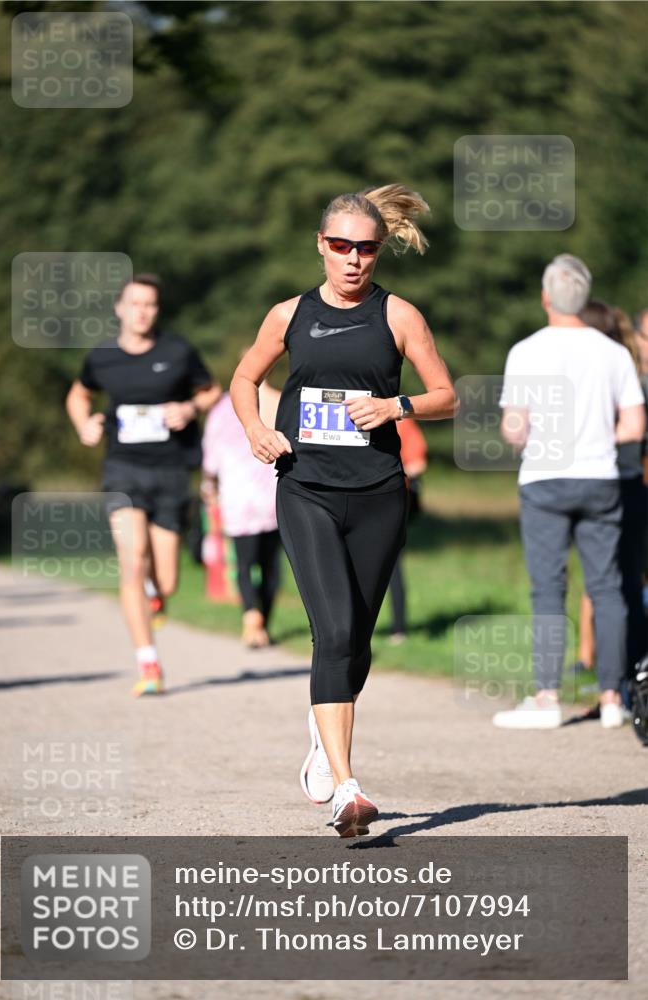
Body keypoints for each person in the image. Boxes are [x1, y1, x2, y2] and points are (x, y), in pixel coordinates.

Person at [230, 184, 457, 837]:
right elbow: (243, 379)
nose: (353, 259)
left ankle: (319, 727)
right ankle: (346, 789)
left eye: (366, 248)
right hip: (304, 486)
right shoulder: (288, 315)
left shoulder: (400, 316)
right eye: (340, 246)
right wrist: (254, 430)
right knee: (331, 633)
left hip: (379, 492)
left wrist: (396, 407)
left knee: (355, 637)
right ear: (320, 246)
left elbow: (446, 394)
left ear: (379, 249)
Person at [494, 256, 645, 730]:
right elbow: (635, 425)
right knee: (608, 587)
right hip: (602, 479)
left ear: (545, 297)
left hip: (544, 479)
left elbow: (515, 430)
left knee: (549, 589)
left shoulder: (525, 351)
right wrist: (597, 436)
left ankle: (546, 696)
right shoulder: (614, 353)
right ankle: (613, 698)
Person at [66, 274, 221, 696]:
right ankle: (148, 663)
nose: (142, 312)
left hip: (171, 472)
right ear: (119, 309)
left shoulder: (177, 351)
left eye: (150, 305)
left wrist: (189, 407)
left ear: (157, 310)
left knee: (166, 582)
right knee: (132, 561)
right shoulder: (102, 357)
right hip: (123, 468)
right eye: (135, 304)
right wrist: (85, 424)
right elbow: (78, 395)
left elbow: (211, 390)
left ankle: (156, 593)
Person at [568, 301, 648, 703]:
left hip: (627, 486)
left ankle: (621, 681)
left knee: (619, 584)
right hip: (614, 486)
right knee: (611, 582)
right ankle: (615, 677)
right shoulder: (621, 375)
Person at [202, 372, 282, 648]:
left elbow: (210, 459)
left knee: (245, 564)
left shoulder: (222, 409)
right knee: (271, 566)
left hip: (238, 499)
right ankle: (265, 625)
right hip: (273, 497)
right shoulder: (278, 401)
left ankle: (251, 615)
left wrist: (209, 485)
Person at [388, 418, 428, 643]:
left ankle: (399, 627)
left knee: (392, 565)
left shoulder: (398, 417)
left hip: (390, 503)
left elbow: (417, 463)